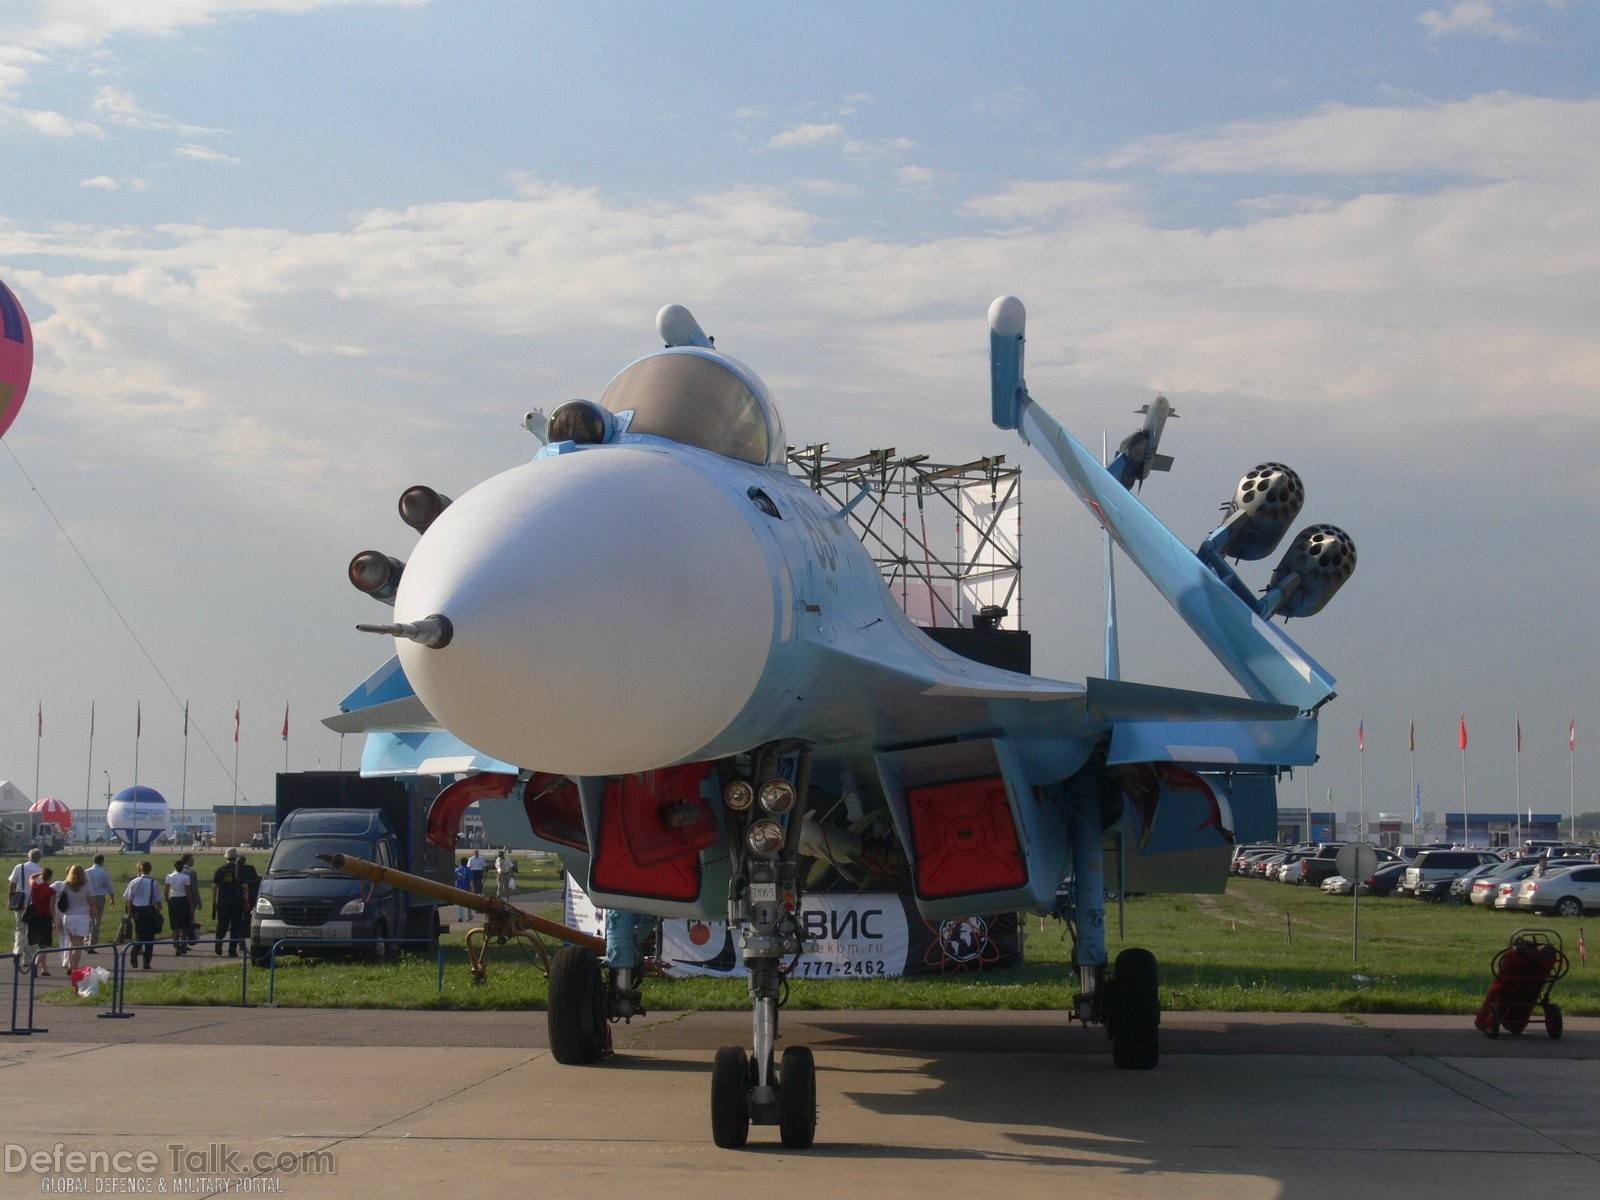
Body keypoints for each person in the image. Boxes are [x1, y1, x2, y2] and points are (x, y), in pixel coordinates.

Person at [123, 861, 162, 969]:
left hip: (137, 911)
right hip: (149, 909)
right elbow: (157, 899)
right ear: (150, 869)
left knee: (140, 934)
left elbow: (129, 899)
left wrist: (130, 913)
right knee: (150, 937)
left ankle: (135, 950)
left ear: (140, 870)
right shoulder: (153, 882)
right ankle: (146, 962)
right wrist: (159, 909)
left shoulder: (133, 882)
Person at [54, 864, 93, 972]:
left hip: (69, 916)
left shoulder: (65, 885)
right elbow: (92, 902)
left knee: (72, 942)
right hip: (82, 916)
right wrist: (95, 916)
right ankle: (74, 967)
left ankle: (70, 963)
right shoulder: (86, 885)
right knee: (79, 945)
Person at [8, 847, 43, 960]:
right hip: (34, 903)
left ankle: (18, 949)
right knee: (30, 930)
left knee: (20, 928)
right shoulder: (41, 871)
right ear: (39, 858)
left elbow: (12, 884)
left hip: (20, 901)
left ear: (29, 856)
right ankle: (28, 959)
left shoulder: (20, 867)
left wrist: (10, 900)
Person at [211, 848, 247, 957]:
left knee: (222, 925)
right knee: (236, 927)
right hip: (236, 902)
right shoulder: (240, 870)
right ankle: (232, 950)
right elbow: (245, 887)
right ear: (235, 858)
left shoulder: (219, 870)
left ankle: (218, 942)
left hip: (223, 902)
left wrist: (214, 900)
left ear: (226, 857)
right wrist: (246, 900)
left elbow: (214, 887)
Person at [25, 866, 55, 975]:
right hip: (45, 918)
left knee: (41, 945)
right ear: (50, 877)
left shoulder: (34, 886)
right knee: (45, 944)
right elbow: (51, 908)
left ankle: (45, 969)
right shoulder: (51, 891)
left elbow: (31, 877)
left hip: (34, 918)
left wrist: (39, 874)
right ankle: (36, 965)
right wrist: (54, 922)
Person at [163, 858, 195, 956]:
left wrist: (168, 900)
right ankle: (183, 945)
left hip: (173, 900)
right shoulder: (186, 877)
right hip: (183, 900)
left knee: (175, 926)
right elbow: (188, 892)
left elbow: (166, 891)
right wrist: (191, 904)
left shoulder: (169, 876)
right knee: (184, 925)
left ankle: (176, 946)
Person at [85, 853, 115, 951]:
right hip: (98, 897)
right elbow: (109, 887)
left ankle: (86, 940)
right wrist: (112, 898)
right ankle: (92, 945)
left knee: (87, 919)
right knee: (96, 921)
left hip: (87, 897)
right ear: (102, 861)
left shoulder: (86, 872)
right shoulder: (103, 872)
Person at [181, 852, 202, 946]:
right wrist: (198, 902)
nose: (193, 861)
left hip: (178, 899)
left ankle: (180, 943)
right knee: (189, 921)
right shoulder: (191, 873)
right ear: (187, 861)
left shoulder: (176, 871)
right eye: (191, 860)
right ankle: (188, 941)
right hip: (189, 900)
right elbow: (194, 889)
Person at [453, 857, 473, 921]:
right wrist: (472, 888)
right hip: (467, 888)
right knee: (468, 903)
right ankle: (469, 916)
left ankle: (460, 917)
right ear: (467, 863)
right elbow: (470, 880)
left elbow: (455, 880)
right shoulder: (468, 870)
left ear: (460, 863)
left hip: (459, 888)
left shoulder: (456, 870)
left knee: (459, 904)